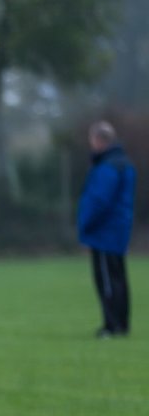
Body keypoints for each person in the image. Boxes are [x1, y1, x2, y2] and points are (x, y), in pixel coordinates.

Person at [79, 120, 137, 338]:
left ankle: (112, 326)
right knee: (118, 277)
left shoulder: (107, 167)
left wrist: (86, 225)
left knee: (107, 279)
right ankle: (121, 324)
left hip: (104, 233)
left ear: (99, 140)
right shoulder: (125, 163)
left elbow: (99, 201)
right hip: (119, 230)